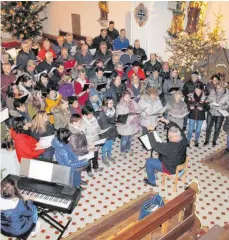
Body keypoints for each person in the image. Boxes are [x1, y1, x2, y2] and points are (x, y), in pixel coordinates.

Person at [144, 117, 187, 187]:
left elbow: (155, 145)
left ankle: (151, 181)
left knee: (149, 161)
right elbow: (176, 126)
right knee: (160, 155)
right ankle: (154, 170)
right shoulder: (183, 138)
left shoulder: (170, 147)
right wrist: (165, 120)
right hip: (181, 163)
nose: (168, 137)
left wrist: (150, 131)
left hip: (171, 169)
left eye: (169, 136)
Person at [204, 82, 229, 146]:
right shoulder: (212, 91)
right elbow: (209, 99)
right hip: (211, 112)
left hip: (220, 114)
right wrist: (209, 102)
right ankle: (207, 140)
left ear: (223, 87)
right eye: (216, 88)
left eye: (219, 88)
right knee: (208, 127)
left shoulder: (227, 94)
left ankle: (214, 141)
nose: (217, 90)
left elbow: (227, 106)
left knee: (217, 128)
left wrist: (220, 107)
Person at [116, 91, 141, 156]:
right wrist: (132, 116)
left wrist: (137, 112)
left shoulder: (132, 101)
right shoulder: (120, 105)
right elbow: (121, 118)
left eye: (129, 97)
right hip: (125, 125)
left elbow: (138, 108)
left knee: (130, 138)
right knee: (124, 139)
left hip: (133, 124)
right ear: (123, 97)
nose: (128, 98)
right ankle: (122, 150)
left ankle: (128, 148)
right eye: (126, 97)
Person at [81, 106, 103, 174]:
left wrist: (100, 131)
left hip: (96, 140)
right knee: (88, 157)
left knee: (95, 154)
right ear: (85, 115)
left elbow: (98, 127)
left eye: (92, 113)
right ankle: (89, 170)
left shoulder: (93, 118)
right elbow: (82, 135)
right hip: (88, 142)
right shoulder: (82, 123)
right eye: (90, 114)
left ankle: (95, 167)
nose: (92, 115)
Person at [96, 98, 117, 165]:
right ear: (106, 104)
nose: (112, 104)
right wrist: (115, 124)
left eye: (112, 103)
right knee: (105, 146)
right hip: (105, 132)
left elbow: (113, 119)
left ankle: (109, 155)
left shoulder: (113, 110)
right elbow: (103, 125)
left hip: (112, 130)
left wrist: (118, 121)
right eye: (110, 103)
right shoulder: (102, 113)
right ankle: (104, 157)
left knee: (110, 144)